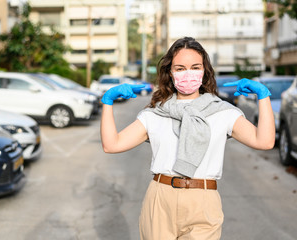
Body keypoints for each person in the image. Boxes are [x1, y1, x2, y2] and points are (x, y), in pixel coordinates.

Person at [100, 37, 275, 240]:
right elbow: (112, 145)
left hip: (203, 199)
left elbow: (265, 141)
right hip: (160, 198)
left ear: (204, 71)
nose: (188, 73)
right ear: (170, 73)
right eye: (180, 68)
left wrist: (263, 96)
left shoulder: (223, 112)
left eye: (195, 67)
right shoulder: (155, 114)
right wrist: (108, 102)